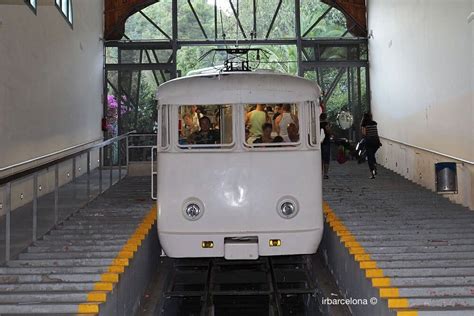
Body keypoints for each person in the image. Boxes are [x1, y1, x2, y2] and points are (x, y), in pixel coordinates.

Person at [360, 112, 381, 179]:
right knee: (372, 155)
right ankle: (374, 165)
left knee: (370, 157)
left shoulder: (364, 124)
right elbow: (376, 133)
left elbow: (364, 133)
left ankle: (372, 174)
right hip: (376, 142)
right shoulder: (374, 123)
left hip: (369, 142)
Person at [320, 113, 331, 179]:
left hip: (319, 142)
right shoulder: (326, 124)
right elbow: (328, 131)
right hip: (326, 142)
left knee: (320, 158)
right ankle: (325, 174)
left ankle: (320, 172)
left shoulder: (317, 123)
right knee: (326, 158)